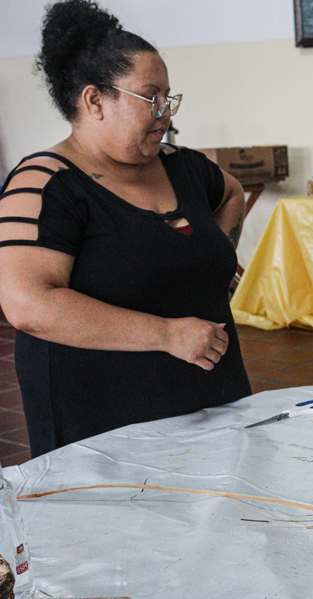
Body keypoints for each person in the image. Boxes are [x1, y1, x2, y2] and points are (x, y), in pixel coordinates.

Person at [0, 0, 251, 456]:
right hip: (101, 418)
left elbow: (233, 193)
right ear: (95, 100)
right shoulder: (46, 184)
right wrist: (167, 335)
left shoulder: (185, 167)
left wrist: (218, 261)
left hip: (210, 394)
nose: (166, 112)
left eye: (168, 98)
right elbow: (27, 304)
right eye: (151, 98)